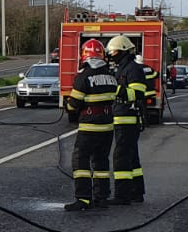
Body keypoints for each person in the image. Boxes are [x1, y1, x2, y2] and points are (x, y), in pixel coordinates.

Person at [62, 39, 116, 212]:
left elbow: (74, 105)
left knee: (80, 161)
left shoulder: (84, 76)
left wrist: (68, 104)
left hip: (89, 127)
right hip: (107, 126)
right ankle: (102, 198)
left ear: (84, 55)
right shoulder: (110, 76)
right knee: (101, 162)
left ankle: (83, 199)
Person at [107, 35, 148, 204]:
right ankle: (136, 192)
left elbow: (138, 93)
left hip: (127, 119)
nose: (111, 55)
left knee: (121, 156)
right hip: (122, 117)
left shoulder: (133, 69)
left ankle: (122, 195)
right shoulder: (123, 68)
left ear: (122, 51)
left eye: (113, 52)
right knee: (132, 156)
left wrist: (115, 89)